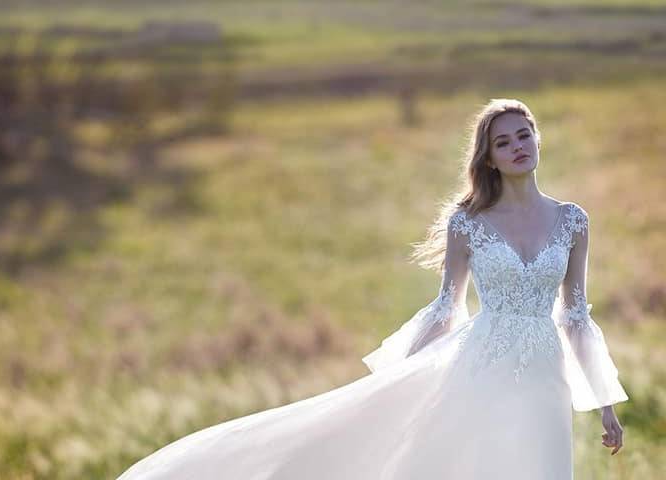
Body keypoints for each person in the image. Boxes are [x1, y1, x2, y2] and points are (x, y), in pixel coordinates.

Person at [116, 99, 628, 479]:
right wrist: (400, 381)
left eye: (525, 135)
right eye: (504, 141)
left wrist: (605, 403)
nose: (518, 146)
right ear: (489, 158)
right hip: (482, 371)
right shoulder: (468, 223)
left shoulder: (571, 220)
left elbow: (576, 316)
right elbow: (445, 306)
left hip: (545, 377)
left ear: (538, 140)